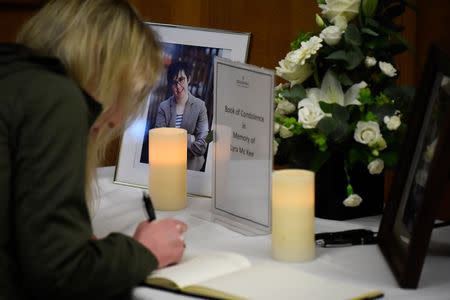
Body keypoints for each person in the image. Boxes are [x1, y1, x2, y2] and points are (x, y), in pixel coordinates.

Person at [0, 1, 187, 299]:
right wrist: (143, 250)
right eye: (125, 90)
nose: (115, 120)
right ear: (97, 56)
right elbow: (63, 276)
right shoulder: (56, 97)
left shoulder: (14, 78)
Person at [155, 61, 209, 171]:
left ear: (188, 79)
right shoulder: (163, 107)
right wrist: (191, 139)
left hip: (192, 169)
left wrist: (172, 137)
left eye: (181, 80)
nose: (178, 87)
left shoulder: (200, 106)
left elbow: (203, 146)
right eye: (174, 82)